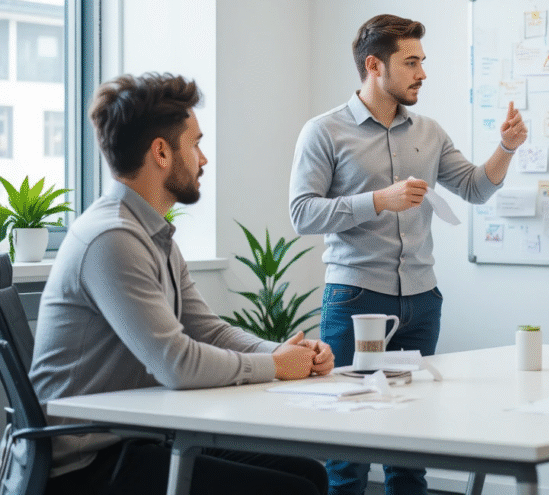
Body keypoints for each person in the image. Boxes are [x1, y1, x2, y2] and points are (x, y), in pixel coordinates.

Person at [30, 73, 334, 495]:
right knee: (292, 489)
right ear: (161, 152)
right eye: (195, 144)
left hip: (134, 439)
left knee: (308, 473)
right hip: (88, 463)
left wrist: (283, 352)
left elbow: (207, 330)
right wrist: (276, 367)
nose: (203, 159)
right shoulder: (112, 239)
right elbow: (177, 365)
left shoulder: (152, 234)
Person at [289, 14, 527, 495]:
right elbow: (302, 214)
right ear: (374, 65)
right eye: (411, 62)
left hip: (421, 302)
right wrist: (380, 199)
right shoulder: (324, 132)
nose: (422, 73)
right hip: (355, 300)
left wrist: (506, 147)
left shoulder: (430, 131)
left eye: (422, 61)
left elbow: (475, 188)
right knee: (347, 452)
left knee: (410, 451)